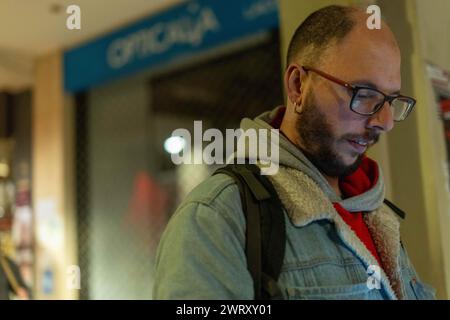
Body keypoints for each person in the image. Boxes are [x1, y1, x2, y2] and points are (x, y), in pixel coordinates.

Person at [152, 5, 436, 300]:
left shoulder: (376, 213)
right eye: (364, 95)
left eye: (392, 100)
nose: (385, 122)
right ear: (298, 85)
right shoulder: (218, 217)